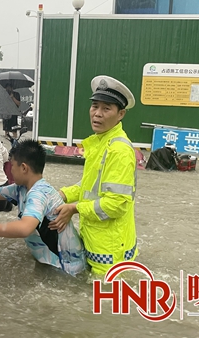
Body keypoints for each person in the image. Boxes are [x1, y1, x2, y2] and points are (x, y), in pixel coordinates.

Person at [49, 75, 138, 276]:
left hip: (110, 252)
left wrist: (74, 208)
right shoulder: (99, 143)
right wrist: (62, 194)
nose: (97, 114)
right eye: (94, 106)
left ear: (121, 114)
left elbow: (115, 204)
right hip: (96, 240)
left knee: (103, 303)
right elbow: (89, 186)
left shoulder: (118, 150)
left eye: (106, 109)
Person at [0, 140, 86, 276]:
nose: (10, 170)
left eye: (12, 166)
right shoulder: (21, 188)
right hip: (51, 262)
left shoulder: (38, 194)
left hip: (67, 268)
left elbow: (24, 228)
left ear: (24, 168)